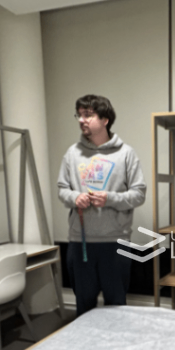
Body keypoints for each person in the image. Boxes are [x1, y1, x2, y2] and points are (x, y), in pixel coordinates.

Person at [57, 94, 146, 317]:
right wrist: (75, 197)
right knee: (84, 307)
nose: (81, 120)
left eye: (88, 115)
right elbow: (62, 190)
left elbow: (139, 194)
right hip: (80, 243)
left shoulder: (126, 154)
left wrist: (110, 199)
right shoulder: (72, 154)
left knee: (116, 307)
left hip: (115, 242)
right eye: (79, 115)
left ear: (105, 120)